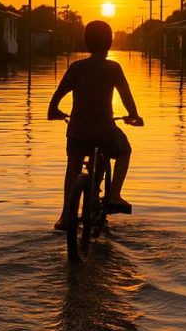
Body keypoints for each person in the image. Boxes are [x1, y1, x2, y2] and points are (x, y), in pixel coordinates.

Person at [48, 20, 143, 230]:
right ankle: (115, 195)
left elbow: (55, 100)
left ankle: (65, 216)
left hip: (77, 132)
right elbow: (126, 97)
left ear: (85, 42)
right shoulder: (113, 68)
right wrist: (134, 116)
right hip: (104, 132)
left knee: (73, 166)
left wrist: (54, 112)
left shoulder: (76, 68)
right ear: (110, 42)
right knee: (125, 150)